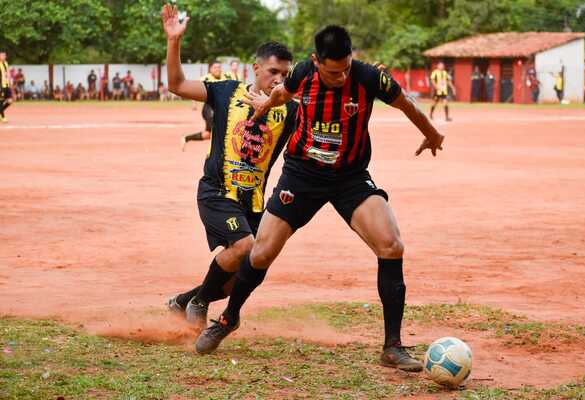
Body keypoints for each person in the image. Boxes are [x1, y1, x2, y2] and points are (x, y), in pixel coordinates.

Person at [194, 25, 445, 373]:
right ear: (316, 61)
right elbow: (284, 94)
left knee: (392, 245)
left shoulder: (370, 78)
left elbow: (407, 105)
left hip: (350, 178)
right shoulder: (302, 74)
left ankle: (392, 346)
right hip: (302, 176)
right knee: (262, 251)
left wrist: (432, 133)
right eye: (332, 70)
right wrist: (267, 102)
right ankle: (228, 318)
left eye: (346, 67)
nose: (341, 76)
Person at [161, 4, 298, 328]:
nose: (278, 79)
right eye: (273, 72)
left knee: (243, 277)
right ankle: (199, 301)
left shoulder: (292, 110)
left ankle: (182, 301)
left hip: (254, 201)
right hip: (217, 191)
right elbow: (177, 84)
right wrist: (174, 41)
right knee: (245, 246)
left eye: (284, 74)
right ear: (256, 69)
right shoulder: (225, 91)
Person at [181, 61, 226, 150]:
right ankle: (218, 153)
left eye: (219, 67)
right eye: (215, 67)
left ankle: (186, 138)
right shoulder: (205, 79)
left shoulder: (224, 78)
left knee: (208, 134)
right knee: (218, 130)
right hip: (209, 108)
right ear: (210, 69)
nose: (218, 69)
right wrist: (194, 103)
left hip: (219, 108)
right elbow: (194, 90)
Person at [0, 52, 13, 122]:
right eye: (2, 55)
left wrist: (10, 82)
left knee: (10, 101)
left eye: (5, 55)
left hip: (7, 85)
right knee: (1, 101)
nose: (4, 56)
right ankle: (3, 117)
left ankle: (0, 112)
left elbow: (8, 73)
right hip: (1, 85)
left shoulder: (6, 63)